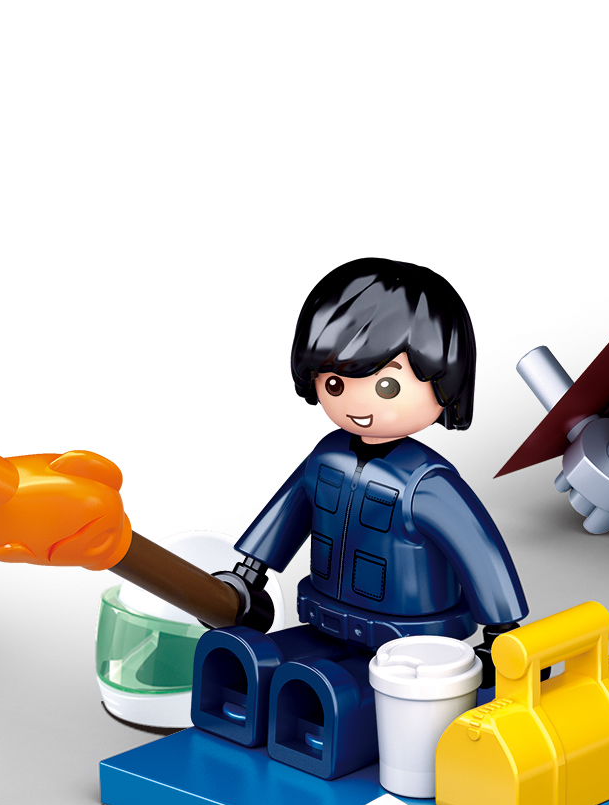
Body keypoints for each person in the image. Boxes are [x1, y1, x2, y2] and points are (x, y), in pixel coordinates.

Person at [198, 258, 528, 777]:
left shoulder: (427, 482)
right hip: (325, 616)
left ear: (444, 384)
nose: (358, 404)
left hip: (408, 647)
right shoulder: (326, 458)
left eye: (388, 386)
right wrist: (248, 575)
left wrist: (502, 632)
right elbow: (287, 512)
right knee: (263, 664)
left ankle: (322, 734)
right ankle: (244, 714)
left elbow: (479, 551)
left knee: (340, 695)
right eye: (335, 384)